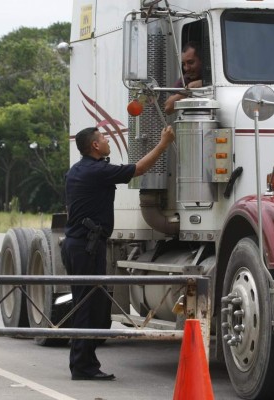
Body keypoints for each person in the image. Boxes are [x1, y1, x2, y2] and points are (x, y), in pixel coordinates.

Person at [61, 125, 175, 381]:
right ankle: (82, 367)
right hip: (86, 246)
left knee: (88, 304)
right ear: (95, 146)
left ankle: (86, 363)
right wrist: (163, 143)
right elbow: (139, 170)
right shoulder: (97, 171)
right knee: (86, 306)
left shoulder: (77, 171)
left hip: (79, 244)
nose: (107, 141)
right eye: (103, 138)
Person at [164, 41, 203, 115]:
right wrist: (189, 89)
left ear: (202, 60)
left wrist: (203, 83)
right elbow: (168, 108)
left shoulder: (216, 76)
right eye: (183, 64)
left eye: (191, 62)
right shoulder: (185, 80)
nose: (186, 68)